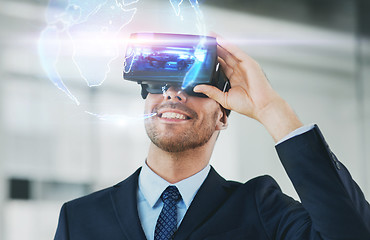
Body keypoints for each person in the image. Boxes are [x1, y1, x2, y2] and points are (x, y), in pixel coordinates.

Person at [54, 35, 370, 240]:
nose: (174, 94)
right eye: (159, 83)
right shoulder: (79, 217)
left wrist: (270, 108)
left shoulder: (261, 209)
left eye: (195, 86)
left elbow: (353, 232)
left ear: (222, 116)